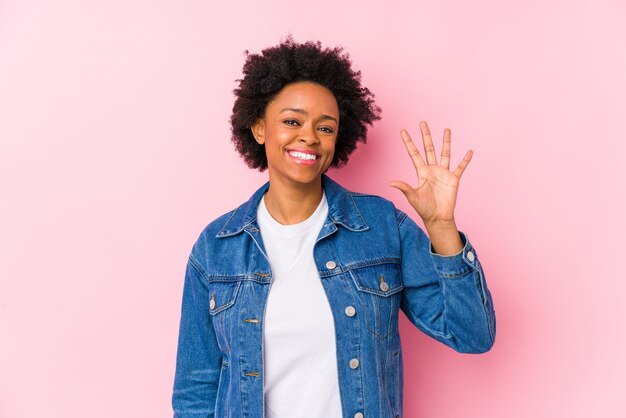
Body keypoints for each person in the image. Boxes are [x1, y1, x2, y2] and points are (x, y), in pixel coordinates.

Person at [172, 36, 496, 418]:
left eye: (325, 128)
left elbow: (472, 335)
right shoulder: (216, 247)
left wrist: (442, 228)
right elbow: (195, 392)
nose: (309, 136)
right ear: (259, 128)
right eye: (292, 121)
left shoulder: (381, 228)